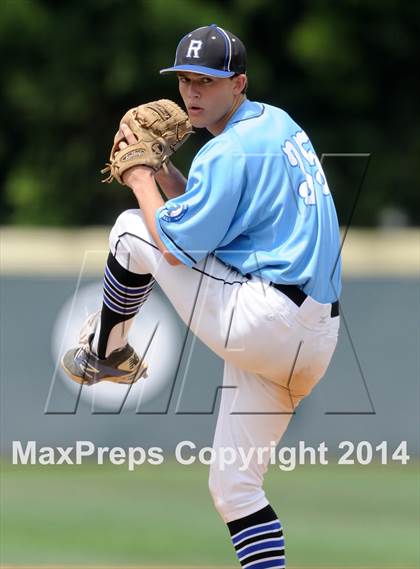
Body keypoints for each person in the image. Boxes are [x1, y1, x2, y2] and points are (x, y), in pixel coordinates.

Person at [62, 24, 341, 568]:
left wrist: (140, 176)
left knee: (128, 229)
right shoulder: (277, 124)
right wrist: (165, 171)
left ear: (237, 83)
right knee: (234, 488)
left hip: (267, 318)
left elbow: (170, 245)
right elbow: (205, 223)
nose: (192, 92)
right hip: (311, 337)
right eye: (186, 79)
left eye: (207, 81)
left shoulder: (228, 151)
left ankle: (108, 351)